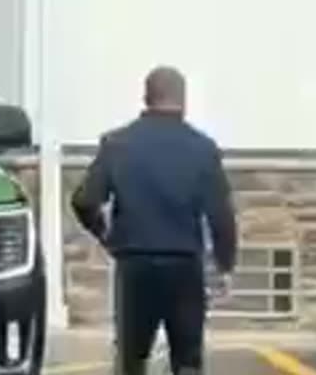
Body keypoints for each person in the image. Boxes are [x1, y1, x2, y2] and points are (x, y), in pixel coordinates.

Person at [71, 66, 237, 375]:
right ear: (183, 100)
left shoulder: (117, 144)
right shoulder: (202, 149)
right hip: (184, 266)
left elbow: (84, 200)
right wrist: (225, 264)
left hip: (135, 265)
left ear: (146, 98)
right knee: (187, 360)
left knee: (132, 359)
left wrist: (105, 234)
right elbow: (221, 215)